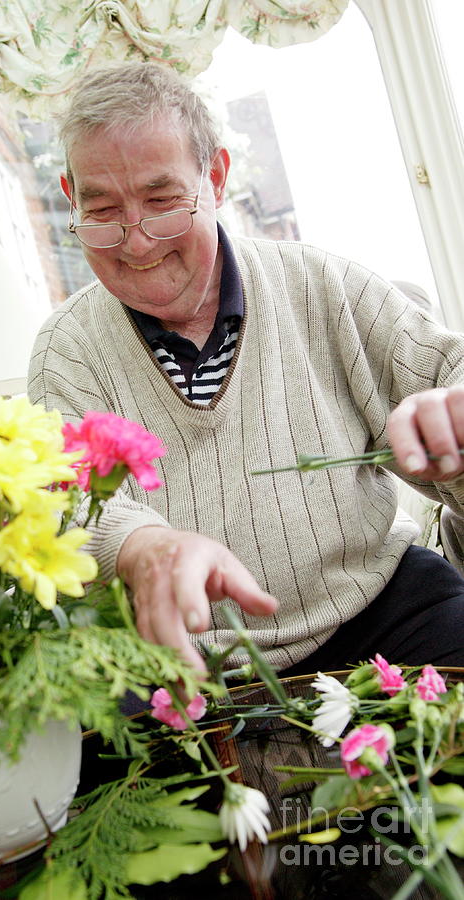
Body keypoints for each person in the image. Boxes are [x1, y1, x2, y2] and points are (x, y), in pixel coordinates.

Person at [28, 61, 464, 676]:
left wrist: (453, 416)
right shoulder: (67, 350)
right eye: (103, 212)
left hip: (379, 612)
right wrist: (141, 545)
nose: (137, 242)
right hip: (185, 661)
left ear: (216, 177)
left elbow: (452, 372)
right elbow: (65, 500)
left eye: (163, 201)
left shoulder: (325, 286)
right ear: (72, 199)